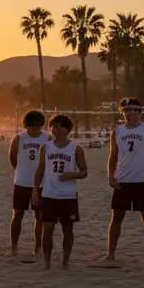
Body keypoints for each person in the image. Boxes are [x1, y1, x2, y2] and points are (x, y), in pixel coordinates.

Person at [103, 98, 144, 264]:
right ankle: (111, 254)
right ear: (122, 112)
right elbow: (113, 156)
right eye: (126, 110)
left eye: (133, 109)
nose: (130, 113)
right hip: (122, 181)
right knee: (116, 217)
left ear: (139, 112)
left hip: (142, 181)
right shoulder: (117, 132)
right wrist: (111, 176)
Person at [34, 114, 86, 269]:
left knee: (67, 229)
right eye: (53, 127)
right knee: (47, 228)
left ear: (66, 129)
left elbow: (84, 171)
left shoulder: (76, 149)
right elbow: (40, 170)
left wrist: (73, 175)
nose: (55, 129)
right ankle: (46, 263)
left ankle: (65, 261)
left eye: (58, 126)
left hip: (68, 196)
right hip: (49, 194)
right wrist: (35, 191)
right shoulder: (46, 147)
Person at [7, 110, 48, 257]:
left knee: (39, 217)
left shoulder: (47, 139)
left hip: (41, 184)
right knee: (17, 214)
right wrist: (21, 171)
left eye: (35, 127)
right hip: (21, 182)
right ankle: (14, 248)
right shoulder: (19, 138)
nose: (31, 130)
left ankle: (37, 249)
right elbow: (12, 158)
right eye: (29, 127)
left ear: (40, 126)